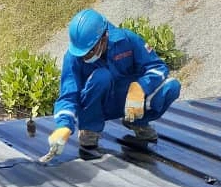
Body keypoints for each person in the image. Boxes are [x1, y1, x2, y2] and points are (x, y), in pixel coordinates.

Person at [47, 8, 181, 158]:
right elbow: (68, 95)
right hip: (96, 106)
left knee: (172, 87)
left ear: (104, 38)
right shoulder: (73, 57)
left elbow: (158, 67)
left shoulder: (127, 40)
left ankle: (137, 122)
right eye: (82, 53)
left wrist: (141, 87)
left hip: (129, 103)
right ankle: (90, 129)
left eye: (89, 52)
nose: (85, 57)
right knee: (101, 76)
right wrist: (63, 126)